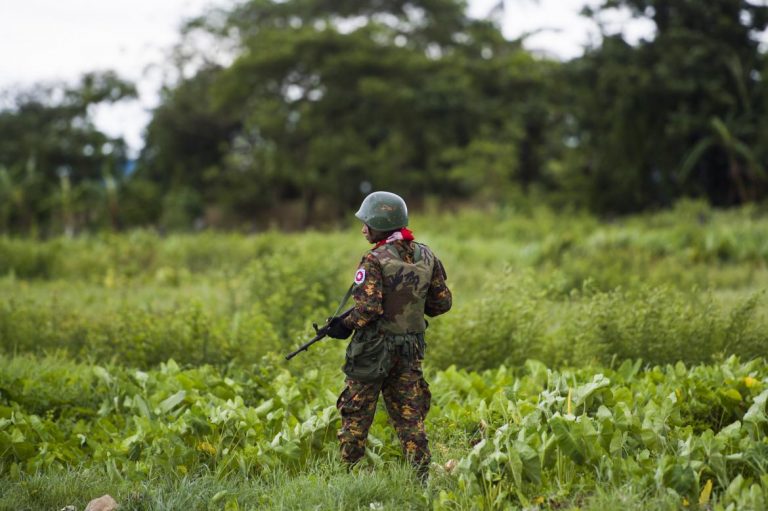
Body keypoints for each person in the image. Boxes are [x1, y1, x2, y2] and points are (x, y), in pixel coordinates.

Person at [326, 191, 452, 482]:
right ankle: (422, 478)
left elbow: (367, 309)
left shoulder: (374, 259)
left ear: (381, 224)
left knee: (356, 413)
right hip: (409, 349)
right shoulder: (427, 255)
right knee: (410, 416)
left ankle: (347, 475)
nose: (363, 228)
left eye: (367, 222)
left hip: (373, 351)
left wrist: (344, 325)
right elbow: (442, 303)